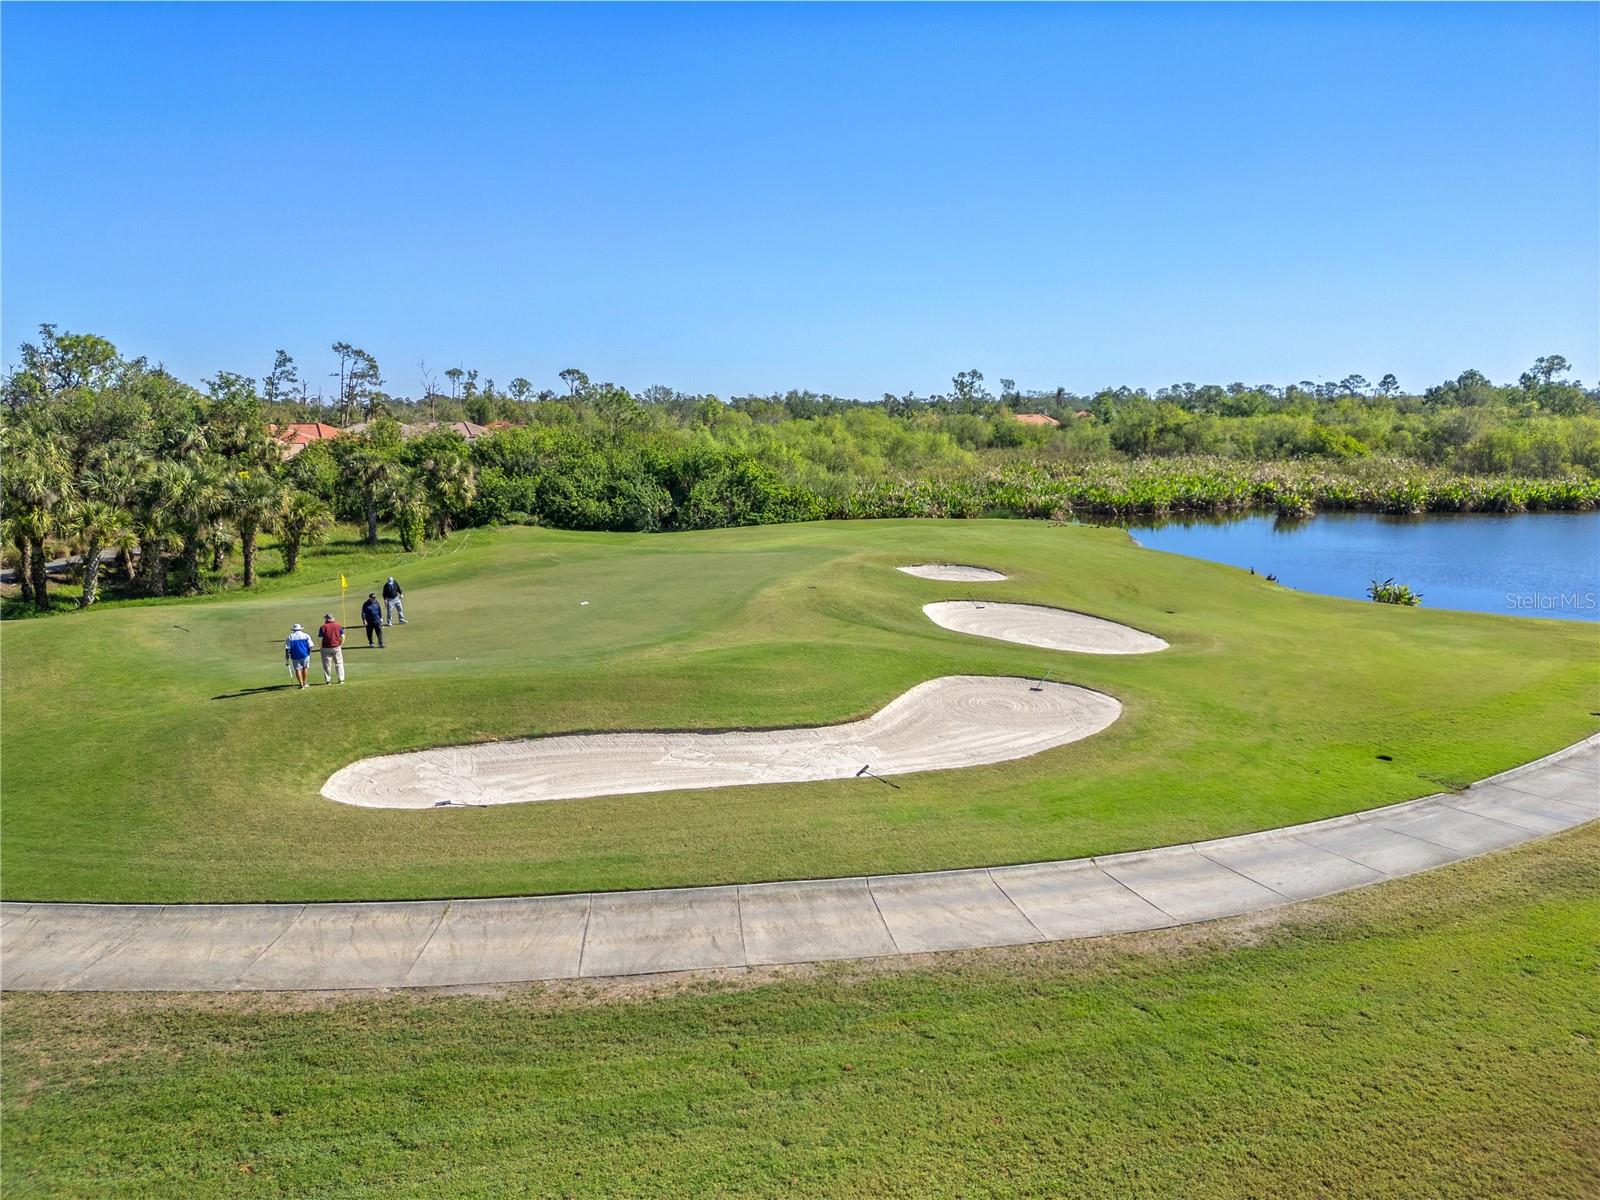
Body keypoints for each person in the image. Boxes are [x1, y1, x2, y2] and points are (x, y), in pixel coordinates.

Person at [318, 612, 345, 684]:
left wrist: (320, 647)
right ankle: (341, 679)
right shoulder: (338, 625)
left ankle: (328, 680)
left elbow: (320, 638)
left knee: (327, 665)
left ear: (327, 619)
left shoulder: (323, 627)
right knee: (339, 663)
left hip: (325, 648)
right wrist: (341, 644)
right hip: (336, 647)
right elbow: (342, 636)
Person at [284, 623, 313, 690]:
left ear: (293, 630)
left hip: (295, 656)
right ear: (300, 629)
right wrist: (308, 653)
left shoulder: (290, 637)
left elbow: (287, 649)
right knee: (305, 668)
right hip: (305, 654)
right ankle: (305, 683)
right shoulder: (306, 635)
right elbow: (311, 646)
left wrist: (287, 659)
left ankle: (301, 684)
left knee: (297, 669)